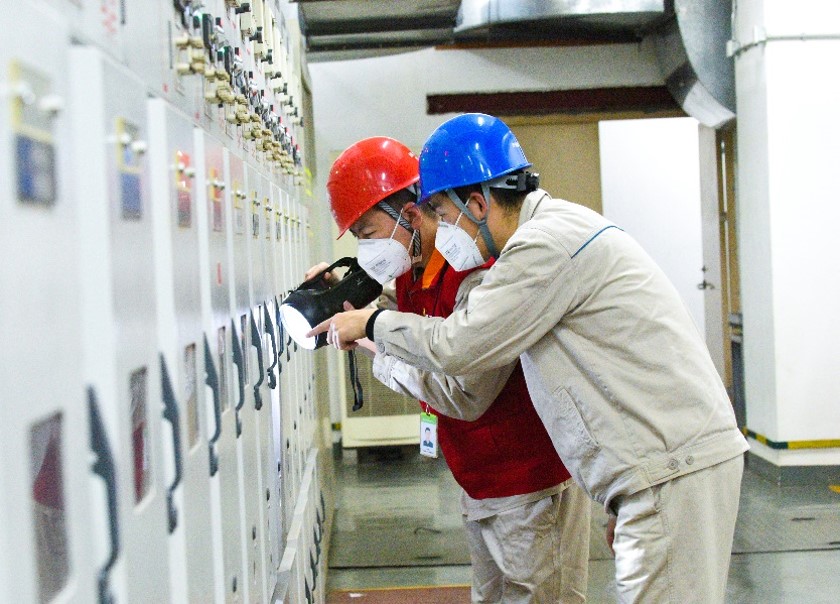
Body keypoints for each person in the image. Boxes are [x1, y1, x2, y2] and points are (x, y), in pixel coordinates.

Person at [312, 116, 750, 604]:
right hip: (654, 468)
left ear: (478, 204)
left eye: (440, 212)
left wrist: (372, 327)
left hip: (669, 466)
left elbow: (459, 343)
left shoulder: (541, 245)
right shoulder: (549, 232)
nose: (437, 226)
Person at [314, 136, 591, 603]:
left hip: (529, 481)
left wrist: (372, 341)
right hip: (479, 478)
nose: (366, 247)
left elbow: (464, 392)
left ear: (410, 214)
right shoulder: (414, 267)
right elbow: (415, 323)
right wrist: (339, 295)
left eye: (368, 232)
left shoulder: (474, 268)